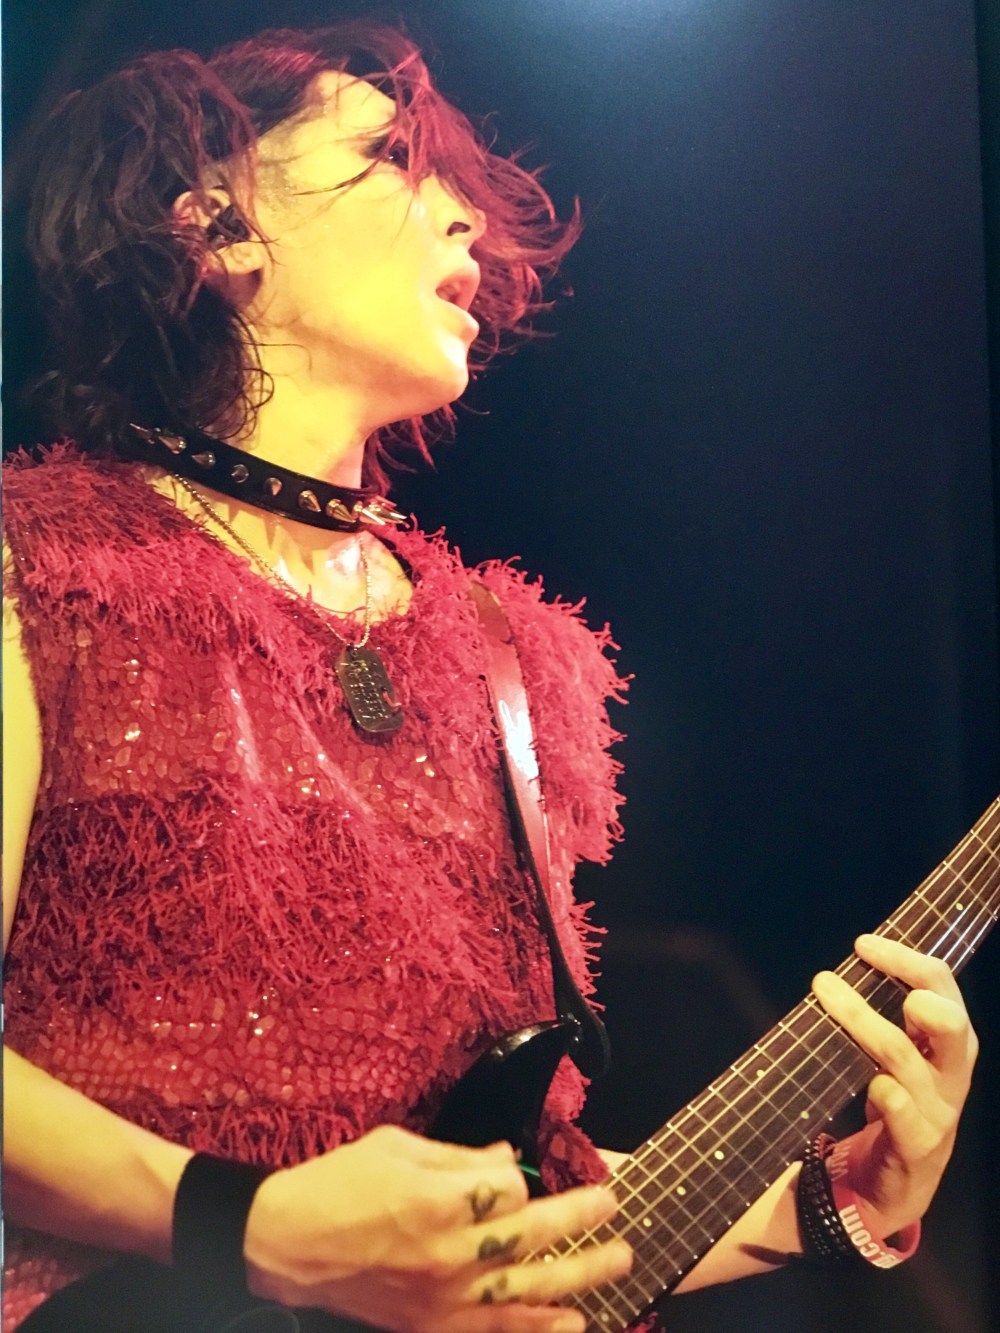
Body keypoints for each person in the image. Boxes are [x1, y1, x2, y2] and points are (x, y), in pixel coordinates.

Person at [2, 20, 979, 1333]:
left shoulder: (509, 659)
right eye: (391, 156)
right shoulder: (39, 568)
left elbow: (516, 1211)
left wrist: (822, 1203)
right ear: (216, 229)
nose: (463, 213)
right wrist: (254, 1226)